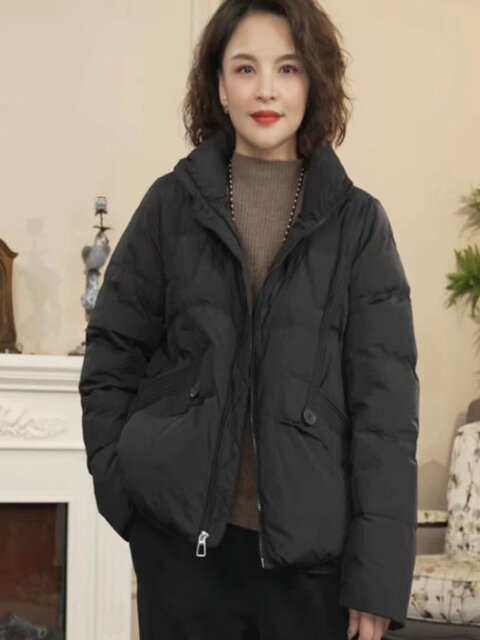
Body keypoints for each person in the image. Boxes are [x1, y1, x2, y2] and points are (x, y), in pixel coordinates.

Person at [78, 1, 420, 639]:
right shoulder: (170, 205)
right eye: (245, 68)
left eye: (288, 68)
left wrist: (375, 579)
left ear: (314, 82)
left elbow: (386, 417)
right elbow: (112, 353)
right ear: (219, 86)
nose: (266, 89)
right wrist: (124, 495)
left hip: (310, 572)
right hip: (180, 555)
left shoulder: (359, 225)